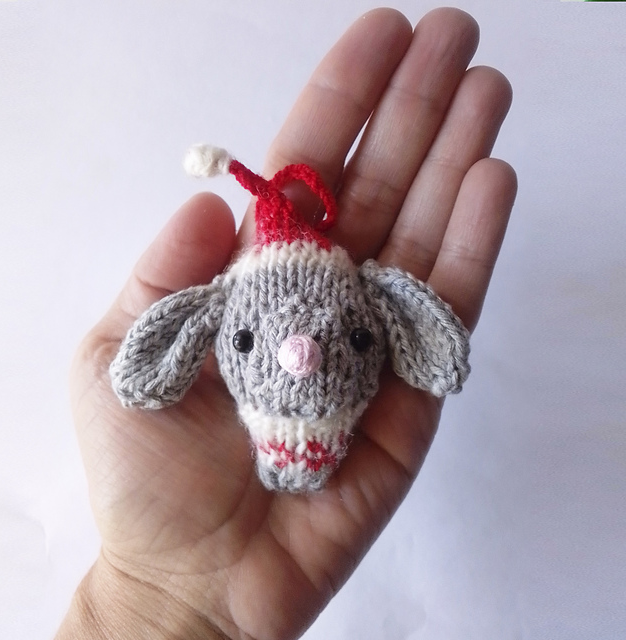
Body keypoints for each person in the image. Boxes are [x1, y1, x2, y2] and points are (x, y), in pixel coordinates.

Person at [56, 7, 516, 640]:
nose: (302, 357)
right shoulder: (244, 300)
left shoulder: (355, 295)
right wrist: (149, 595)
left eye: (357, 336)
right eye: (243, 341)